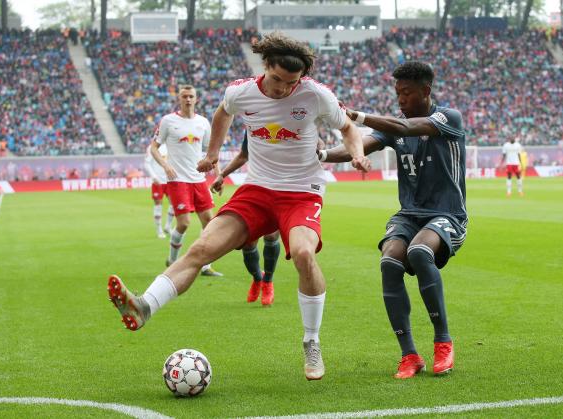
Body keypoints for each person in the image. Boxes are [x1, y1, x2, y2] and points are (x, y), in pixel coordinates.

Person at [107, 32, 370, 381]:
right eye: (277, 80)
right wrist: (213, 153)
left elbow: (349, 128)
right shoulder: (240, 91)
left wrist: (357, 154)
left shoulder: (316, 94)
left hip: (301, 192)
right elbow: (222, 114)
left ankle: (311, 341)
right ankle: (144, 306)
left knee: (305, 254)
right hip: (257, 190)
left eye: (291, 83)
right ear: (265, 67)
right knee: (202, 248)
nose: (282, 89)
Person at [318, 61, 467, 379]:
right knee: (389, 262)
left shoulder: (447, 118)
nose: (400, 99)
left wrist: (353, 115)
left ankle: (443, 342)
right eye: (397, 93)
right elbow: (352, 149)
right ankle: (409, 355)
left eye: (407, 93)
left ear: (426, 91)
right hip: (409, 214)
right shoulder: (391, 127)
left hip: (447, 215)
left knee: (419, 252)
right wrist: (319, 155)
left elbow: (407, 128)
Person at [148, 85, 222, 276]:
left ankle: (205, 265)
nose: (188, 99)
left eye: (191, 96)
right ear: (179, 99)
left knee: (210, 223)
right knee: (184, 223)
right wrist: (165, 166)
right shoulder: (168, 121)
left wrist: (218, 174)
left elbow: (211, 152)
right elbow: (154, 148)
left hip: (198, 179)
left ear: (196, 99)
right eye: (184, 96)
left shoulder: (203, 123)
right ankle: (173, 261)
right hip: (178, 180)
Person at [210, 132, 280, 306]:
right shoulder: (255, 121)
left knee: (271, 236)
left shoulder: (292, 119)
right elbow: (243, 155)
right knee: (248, 243)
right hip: (255, 187)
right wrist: (222, 175)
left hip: (282, 187)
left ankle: (268, 282)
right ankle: (258, 278)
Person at [144, 143, 175, 238]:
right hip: (158, 181)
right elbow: (147, 163)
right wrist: (153, 176)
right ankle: (159, 230)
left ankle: (168, 226)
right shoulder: (152, 147)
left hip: (170, 180)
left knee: (174, 204)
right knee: (158, 206)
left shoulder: (171, 144)